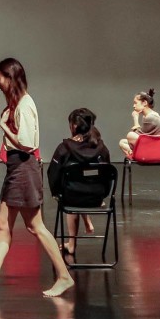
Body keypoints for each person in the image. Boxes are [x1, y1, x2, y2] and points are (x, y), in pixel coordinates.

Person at [0, 58, 74, 297]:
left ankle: (64, 276)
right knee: (4, 224)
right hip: (17, 168)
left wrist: (3, 126)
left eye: (0, 78)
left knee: (35, 226)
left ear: (10, 78)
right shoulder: (18, 104)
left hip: (24, 168)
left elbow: (27, 144)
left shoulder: (25, 104)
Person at [47, 108, 112, 256]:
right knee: (78, 188)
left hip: (71, 198)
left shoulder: (64, 148)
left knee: (71, 191)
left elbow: (53, 173)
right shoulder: (102, 149)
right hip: (96, 198)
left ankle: (72, 244)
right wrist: (102, 194)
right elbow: (108, 175)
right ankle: (75, 238)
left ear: (74, 126)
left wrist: (56, 193)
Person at [118, 88, 160, 158]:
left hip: (157, 148)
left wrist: (135, 118)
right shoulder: (147, 116)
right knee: (122, 142)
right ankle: (133, 152)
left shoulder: (151, 117)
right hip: (152, 143)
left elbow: (139, 135)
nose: (133, 106)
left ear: (144, 103)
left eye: (135, 103)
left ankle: (135, 154)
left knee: (130, 135)